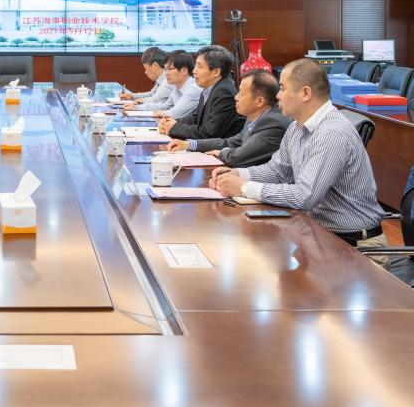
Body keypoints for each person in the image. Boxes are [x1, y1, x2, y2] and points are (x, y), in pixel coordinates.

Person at [211, 58, 390, 267]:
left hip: (355, 248)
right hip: (319, 237)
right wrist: (239, 174)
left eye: (282, 89)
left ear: (305, 93)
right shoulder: (297, 127)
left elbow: (305, 195)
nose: (277, 95)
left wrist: (244, 188)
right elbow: (278, 171)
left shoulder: (331, 133)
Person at [167, 69, 292, 167]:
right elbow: (230, 143)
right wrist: (189, 144)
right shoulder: (255, 116)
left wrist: (222, 153)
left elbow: (238, 157)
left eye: (241, 94)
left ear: (260, 101)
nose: (236, 97)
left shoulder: (272, 122)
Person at [159, 45, 245, 139]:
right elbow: (196, 119)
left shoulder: (224, 92)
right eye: (195, 66)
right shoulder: (209, 87)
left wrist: (174, 127)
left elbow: (209, 133)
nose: (194, 71)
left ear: (216, 72)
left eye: (199, 67)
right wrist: (171, 122)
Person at [135, 50, 202, 120]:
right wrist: (137, 107)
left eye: (169, 69)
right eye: (166, 69)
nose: (165, 73)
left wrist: (163, 113)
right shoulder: (177, 88)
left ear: (184, 71)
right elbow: (165, 106)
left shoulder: (193, 89)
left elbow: (176, 113)